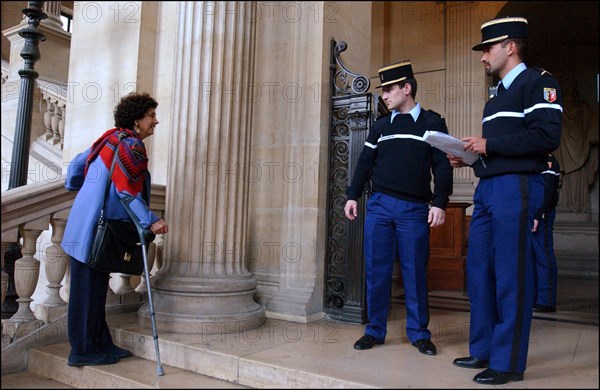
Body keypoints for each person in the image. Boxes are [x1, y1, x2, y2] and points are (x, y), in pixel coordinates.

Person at [447, 17, 562, 385]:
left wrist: (489, 145)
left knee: (512, 275)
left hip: (517, 188)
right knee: (479, 272)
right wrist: (469, 156)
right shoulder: (494, 96)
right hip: (488, 188)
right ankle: (483, 349)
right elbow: (496, 150)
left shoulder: (539, 83)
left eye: (487, 48)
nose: (483, 56)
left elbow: (546, 136)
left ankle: (509, 362)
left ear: (509, 47)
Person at [344, 61, 453, 356]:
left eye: (389, 89)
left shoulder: (433, 123)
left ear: (407, 89)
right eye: (383, 91)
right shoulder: (380, 126)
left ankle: (419, 333)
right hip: (379, 207)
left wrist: (440, 202)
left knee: (414, 271)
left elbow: (442, 166)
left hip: (414, 209)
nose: (384, 96)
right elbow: (364, 164)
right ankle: (375, 330)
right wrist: (353, 195)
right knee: (376, 270)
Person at [61, 92, 169, 367]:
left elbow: (75, 169)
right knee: (87, 295)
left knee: (94, 291)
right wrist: (151, 220)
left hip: (85, 225)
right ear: (137, 120)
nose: (155, 122)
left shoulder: (109, 138)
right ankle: (82, 351)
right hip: (94, 231)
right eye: (151, 116)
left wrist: (84, 190)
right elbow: (125, 191)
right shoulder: (132, 146)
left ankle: (101, 344)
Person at [532, 154, 561, 313]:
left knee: (543, 255)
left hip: (542, 215)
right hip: (533, 214)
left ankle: (546, 300)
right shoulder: (535, 159)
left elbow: (548, 192)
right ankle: (535, 297)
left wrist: (538, 214)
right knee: (533, 256)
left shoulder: (548, 161)